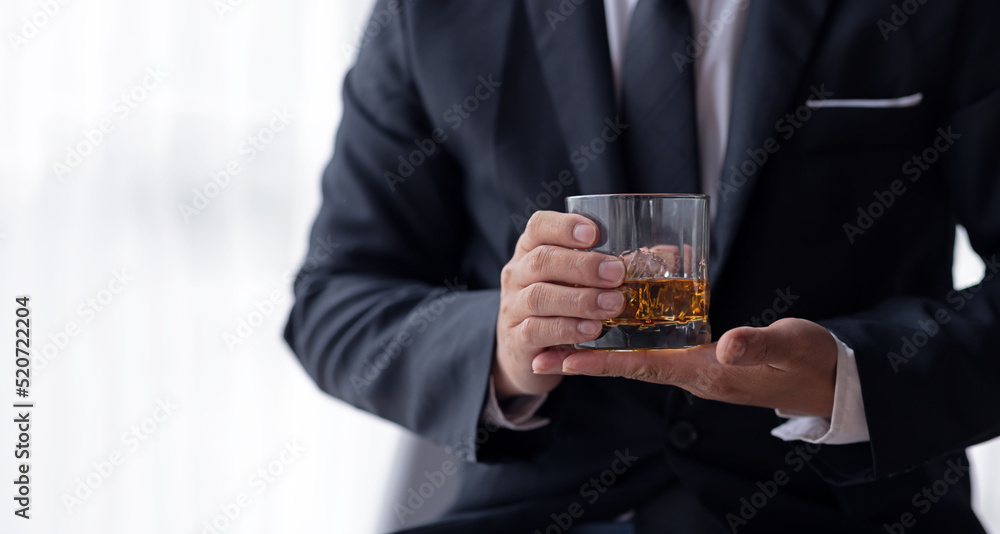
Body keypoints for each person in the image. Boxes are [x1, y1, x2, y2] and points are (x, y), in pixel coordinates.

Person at [284, 0, 1000, 532]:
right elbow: (337, 297)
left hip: (847, 510)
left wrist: (852, 376)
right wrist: (500, 352)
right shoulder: (433, 14)